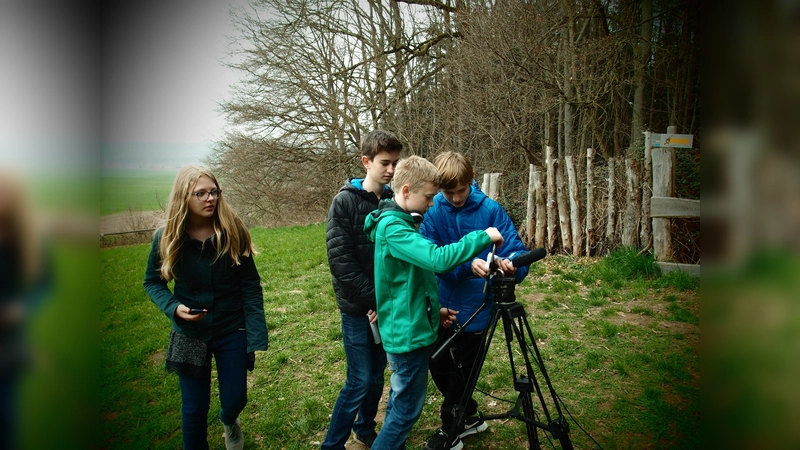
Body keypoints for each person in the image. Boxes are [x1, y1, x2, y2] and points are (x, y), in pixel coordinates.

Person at [363, 155, 505, 450]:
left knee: (401, 405)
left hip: (414, 326)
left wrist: (433, 310)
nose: (431, 204)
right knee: (405, 412)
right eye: (428, 197)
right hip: (407, 337)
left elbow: (411, 284)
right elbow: (437, 260)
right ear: (405, 191)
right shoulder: (395, 229)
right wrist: (483, 236)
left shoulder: (402, 224)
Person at [143, 165, 268, 450]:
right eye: (200, 193)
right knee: (193, 408)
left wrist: (255, 335)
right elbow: (152, 282)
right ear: (184, 197)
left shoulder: (232, 230)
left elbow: (250, 285)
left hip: (231, 328)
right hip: (190, 333)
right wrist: (174, 307)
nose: (209, 198)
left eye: (213, 192)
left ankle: (229, 420)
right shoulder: (166, 236)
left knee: (236, 398)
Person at [419, 151, 530, 450]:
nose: (456, 198)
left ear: (471, 181)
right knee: (437, 361)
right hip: (443, 303)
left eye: (461, 190)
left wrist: (509, 265)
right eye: (448, 192)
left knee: (466, 371)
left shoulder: (491, 210)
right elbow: (431, 258)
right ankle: (468, 415)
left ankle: (451, 428)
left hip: (479, 308)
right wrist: (466, 265)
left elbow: (518, 252)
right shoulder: (432, 210)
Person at [321, 130, 402, 449]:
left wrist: (384, 302)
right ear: (366, 161)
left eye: (396, 163)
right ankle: (333, 444)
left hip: (385, 307)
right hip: (357, 309)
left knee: (377, 375)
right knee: (358, 380)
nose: (392, 170)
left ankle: (366, 429)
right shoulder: (343, 202)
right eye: (385, 163)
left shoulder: (394, 202)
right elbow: (341, 264)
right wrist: (374, 299)